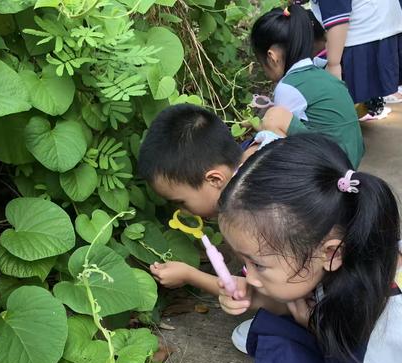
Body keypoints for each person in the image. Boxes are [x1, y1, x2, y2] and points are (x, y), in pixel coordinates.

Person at [218, 134, 402, 363]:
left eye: (257, 265)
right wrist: (255, 296)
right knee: (278, 326)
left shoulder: (383, 318)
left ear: (330, 253)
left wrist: (318, 332)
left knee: (284, 359)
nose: (248, 274)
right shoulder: (342, 258)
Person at [137, 104, 244, 296]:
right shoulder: (257, 156)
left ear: (214, 179)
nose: (182, 211)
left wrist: (190, 276)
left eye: (181, 202)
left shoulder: (252, 219)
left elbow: (260, 294)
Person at [252, 4, 364, 168]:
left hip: (330, 166)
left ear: (272, 56)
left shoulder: (288, 86)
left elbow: (277, 128)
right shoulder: (321, 72)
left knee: (274, 116)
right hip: (349, 158)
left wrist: (259, 125)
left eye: (261, 63)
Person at [310, 0, 402, 117]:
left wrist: (333, 64)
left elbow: (338, 22)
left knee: (346, 97)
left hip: (365, 34)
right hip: (383, 24)